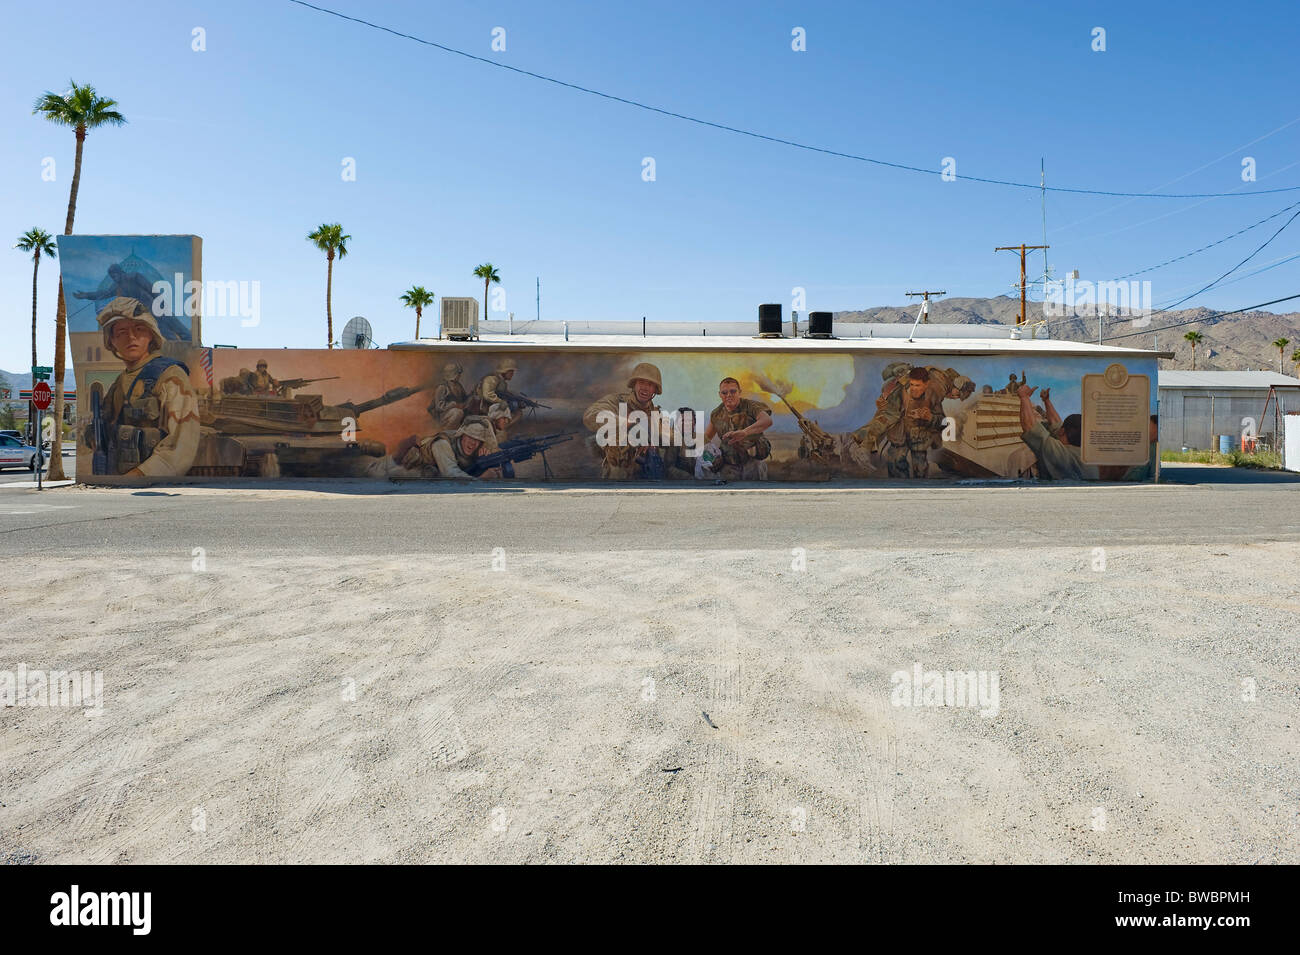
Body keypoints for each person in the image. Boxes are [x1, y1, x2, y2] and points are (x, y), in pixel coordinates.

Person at [88, 297, 199, 477]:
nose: (131, 337)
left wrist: (139, 475)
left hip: (153, 486)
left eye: (139, 329)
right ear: (112, 341)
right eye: (122, 332)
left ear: (151, 334)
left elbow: (182, 444)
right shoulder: (119, 383)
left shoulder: (170, 375)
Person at [583, 362, 663, 479]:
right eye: (641, 382)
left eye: (650, 384)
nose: (645, 388)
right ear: (634, 384)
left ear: (655, 390)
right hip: (619, 476)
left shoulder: (656, 414)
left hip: (646, 475)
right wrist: (626, 423)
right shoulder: (616, 402)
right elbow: (590, 416)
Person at [1015, 383, 1099, 480]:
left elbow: (1030, 427)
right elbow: (1056, 424)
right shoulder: (1084, 455)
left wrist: (1024, 397)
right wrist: (1046, 401)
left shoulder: (1061, 454)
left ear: (1062, 431)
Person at [881, 367, 946, 478]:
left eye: (918, 385)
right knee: (895, 464)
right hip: (898, 436)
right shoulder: (899, 392)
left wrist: (930, 417)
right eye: (912, 384)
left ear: (927, 384)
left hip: (919, 439)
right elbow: (887, 412)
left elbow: (944, 422)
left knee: (920, 470)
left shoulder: (933, 397)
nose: (914, 389)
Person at [705, 377, 773, 480]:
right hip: (729, 466)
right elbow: (706, 439)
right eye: (724, 392)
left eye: (733, 391)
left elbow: (767, 421)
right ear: (720, 394)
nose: (728, 395)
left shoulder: (750, 406)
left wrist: (744, 432)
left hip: (753, 463)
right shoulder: (716, 414)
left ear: (739, 392)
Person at [391, 420, 497, 479]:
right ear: (462, 435)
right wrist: (482, 479)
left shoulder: (472, 451)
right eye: (470, 437)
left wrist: (482, 463)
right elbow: (451, 474)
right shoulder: (442, 444)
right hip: (410, 468)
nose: (473, 443)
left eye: (477, 440)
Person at [429, 361, 469, 430]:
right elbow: (439, 407)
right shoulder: (442, 387)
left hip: (457, 413)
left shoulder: (458, 386)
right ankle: (446, 430)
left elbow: (464, 399)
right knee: (458, 412)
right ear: (453, 374)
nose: (460, 376)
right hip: (444, 416)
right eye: (458, 374)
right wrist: (453, 404)